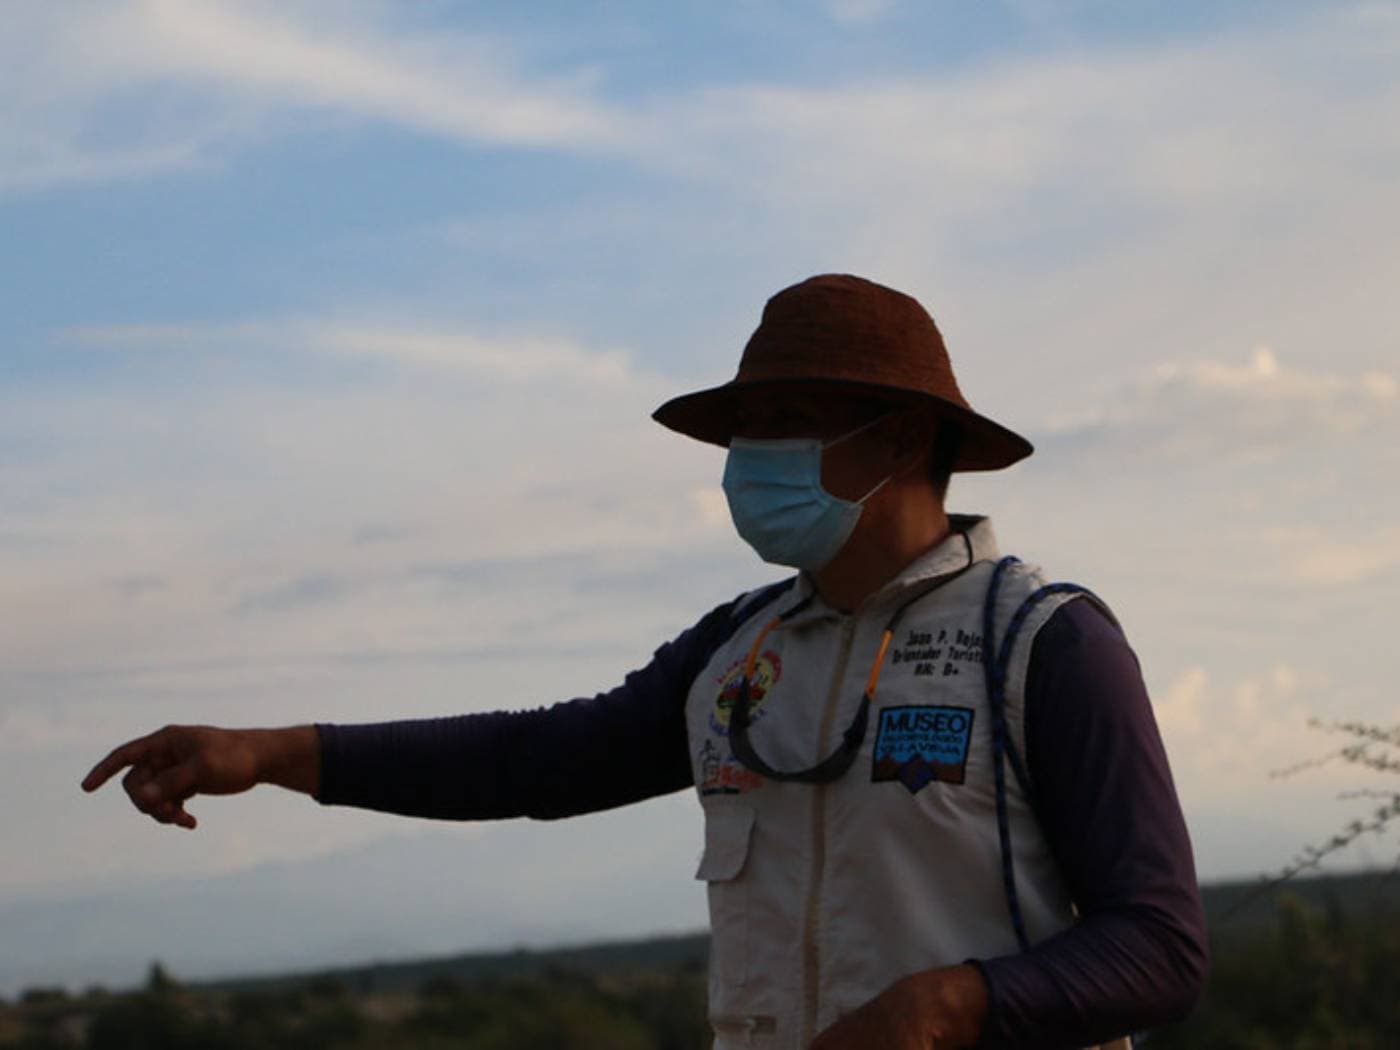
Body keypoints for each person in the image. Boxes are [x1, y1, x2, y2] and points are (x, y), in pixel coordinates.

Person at [83, 274, 1208, 1049]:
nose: (749, 459)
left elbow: (1158, 945)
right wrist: (267, 753)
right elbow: (533, 762)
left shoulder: (1043, 645)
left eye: (786, 421)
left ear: (902, 437)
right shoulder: (739, 655)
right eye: (742, 432)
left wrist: (947, 1008)